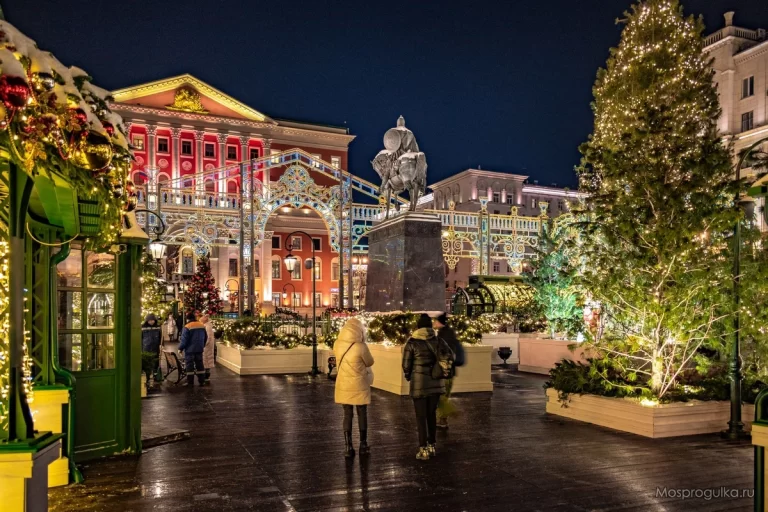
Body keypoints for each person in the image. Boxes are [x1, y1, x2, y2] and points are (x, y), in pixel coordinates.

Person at [402, 313, 451, 460]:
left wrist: (409, 376)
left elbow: (406, 365)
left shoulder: (412, 342)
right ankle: (432, 445)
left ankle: (423, 449)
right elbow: (449, 356)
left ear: (418, 327)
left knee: (420, 417)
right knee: (431, 415)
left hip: (419, 384)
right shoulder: (438, 340)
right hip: (436, 383)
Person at [334, 317, 374, 458]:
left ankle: (348, 447)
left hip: (344, 384)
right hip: (359, 384)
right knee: (362, 412)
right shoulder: (361, 347)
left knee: (347, 414)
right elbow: (370, 362)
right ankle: (363, 444)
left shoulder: (337, 344)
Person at [433, 313, 465, 429]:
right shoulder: (452, 336)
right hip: (450, 371)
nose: (434, 323)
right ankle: (443, 419)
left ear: (440, 323)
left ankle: (447, 414)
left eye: (436, 321)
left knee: (440, 396)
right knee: (444, 395)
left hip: (441, 372)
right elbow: (457, 357)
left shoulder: (441, 338)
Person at [178, 313, 207, 386]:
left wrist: (180, 348)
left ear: (187, 319)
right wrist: (202, 345)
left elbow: (184, 339)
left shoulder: (187, 326)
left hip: (190, 350)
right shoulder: (201, 325)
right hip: (199, 349)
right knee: (200, 365)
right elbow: (205, 337)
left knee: (189, 366)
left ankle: (190, 382)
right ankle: (202, 381)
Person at [200, 314, 215, 384]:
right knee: (206, 361)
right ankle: (206, 376)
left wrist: (203, 345)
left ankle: (206, 376)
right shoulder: (206, 326)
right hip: (206, 347)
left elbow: (208, 338)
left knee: (206, 361)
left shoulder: (207, 326)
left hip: (207, 347)